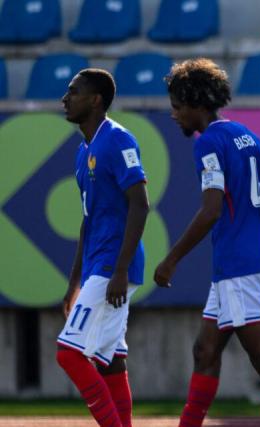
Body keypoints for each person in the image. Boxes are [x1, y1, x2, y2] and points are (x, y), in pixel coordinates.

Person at [153, 58, 260, 427]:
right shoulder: (249, 137)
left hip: (237, 265)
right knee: (205, 350)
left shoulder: (209, 144)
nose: (174, 114)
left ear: (198, 104)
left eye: (178, 105)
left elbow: (211, 210)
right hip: (241, 267)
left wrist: (171, 259)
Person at [57, 68, 150, 427]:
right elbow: (88, 220)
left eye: (73, 92)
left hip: (113, 266)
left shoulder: (118, 140)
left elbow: (140, 204)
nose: (65, 99)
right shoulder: (84, 151)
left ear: (96, 99)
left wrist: (121, 270)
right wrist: (73, 282)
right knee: (111, 361)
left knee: (69, 354)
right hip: (98, 266)